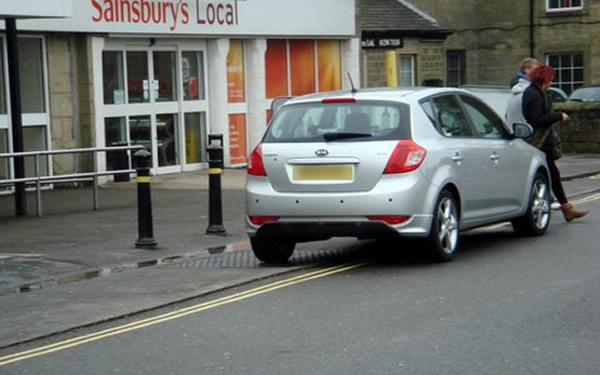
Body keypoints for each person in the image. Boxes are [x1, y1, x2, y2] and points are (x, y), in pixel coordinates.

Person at [522, 65, 589, 222]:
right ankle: (561, 207)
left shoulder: (536, 92)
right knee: (548, 175)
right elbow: (536, 120)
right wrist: (558, 116)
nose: (551, 82)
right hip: (539, 141)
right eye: (550, 79)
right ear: (542, 79)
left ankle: (565, 207)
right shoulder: (535, 95)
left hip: (542, 140)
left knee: (551, 175)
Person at [506, 58, 539, 133]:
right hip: (525, 133)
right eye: (536, 69)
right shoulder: (529, 91)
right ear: (527, 70)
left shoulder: (516, 90)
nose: (538, 73)